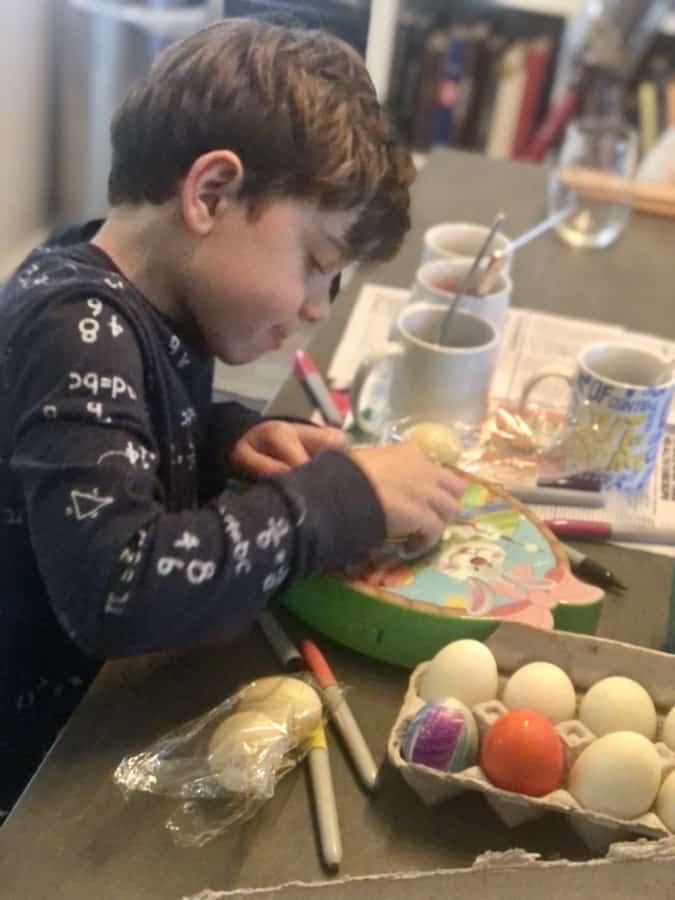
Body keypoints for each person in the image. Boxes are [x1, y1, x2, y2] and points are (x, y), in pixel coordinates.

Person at [0, 18, 464, 822]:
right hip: (32, 773)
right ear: (210, 193)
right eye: (316, 264)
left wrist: (221, 438)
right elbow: (120, 587)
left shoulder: (137, 297)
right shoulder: (73, 325)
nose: (315, 308)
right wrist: (337, 502)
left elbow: (110, 427)